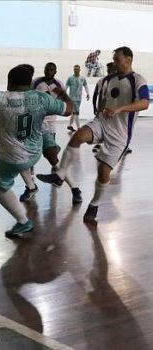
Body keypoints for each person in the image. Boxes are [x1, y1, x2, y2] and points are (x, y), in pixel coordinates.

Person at [37, 47, 149, 225]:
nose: (114, 63)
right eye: (113, 60)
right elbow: (104, 99)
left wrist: (120, 108)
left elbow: (144, 103)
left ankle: (95, 204)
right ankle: (60, 175)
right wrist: (100, 111)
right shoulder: (109, 79)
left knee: (103, 172)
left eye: (117, 60)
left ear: (129, 59)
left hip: (120, 134)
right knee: (78, 136)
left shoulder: (138, 80)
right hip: (103, 122)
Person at [0, 62, 72, 237]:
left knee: (0, 185)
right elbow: (68, 110)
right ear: (30, 83)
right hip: (34, 154)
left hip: (12, 157)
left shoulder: (2, 98)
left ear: (9, 83)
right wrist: (64, 95)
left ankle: (23, 222)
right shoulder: (41, 98)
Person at [20, 62, 82, 205]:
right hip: (34, 124)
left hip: (49, 125)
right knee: (23, 158)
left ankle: (75, 189)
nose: (49, 71)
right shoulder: (36, 82)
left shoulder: (59, 84)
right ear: (44, 69)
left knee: (53, 159)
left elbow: (66, 107)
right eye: (47, 69)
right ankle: (30, 187)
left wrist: (62, 93)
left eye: (52, 69)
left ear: (55, 71)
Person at [91, 62, 118, 153]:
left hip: (114, 109)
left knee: (116, 127)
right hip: (103, 108)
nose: (110, 70)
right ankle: (98, 144)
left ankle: (123, 145)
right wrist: (95, 107)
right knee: (101, 125)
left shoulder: (119, 80)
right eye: (109, 69)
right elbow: (95, 95)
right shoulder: (101, 81)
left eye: (112, 69)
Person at [66, 65, 90, 132]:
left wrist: (88, 93)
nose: (76, 70)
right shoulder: (70, 78)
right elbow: (66, 86)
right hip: (72, 98)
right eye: (74, 69)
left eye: (77, 69)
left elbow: (85, 85)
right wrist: (64, 95)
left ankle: (69, 125)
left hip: (79, 98)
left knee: (74, 113)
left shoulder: (82, 78)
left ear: (80, 70)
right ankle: (79, 128)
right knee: (76, 113)